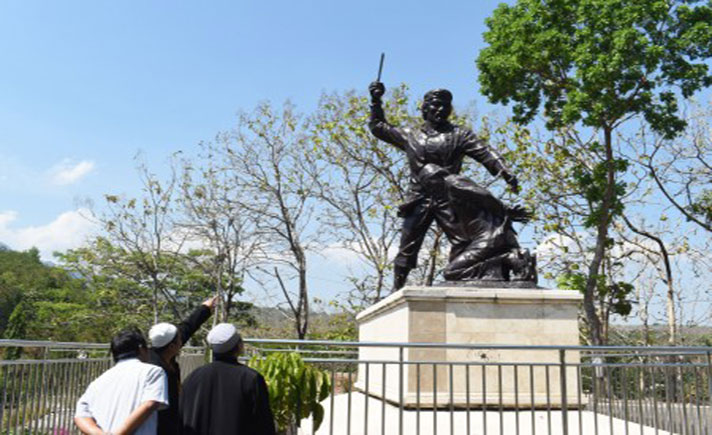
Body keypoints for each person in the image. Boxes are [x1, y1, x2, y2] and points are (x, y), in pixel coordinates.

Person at [368, 81, 520, 290]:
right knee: (407, 245)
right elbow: (378, 128)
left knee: (462, 241)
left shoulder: (460, 135)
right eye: (435, 105)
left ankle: (464, 279)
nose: (440, 110)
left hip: (449, 199)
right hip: (418, 199)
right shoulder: (410, 134)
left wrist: (504, 170)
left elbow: (484, 152)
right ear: (424, 108)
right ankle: (397, 289)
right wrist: (376, 101)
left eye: (445, 106)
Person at [180, 323, 275, 435]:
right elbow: (263, 423)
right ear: (239, 346)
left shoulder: (193, 377)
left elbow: (182, 418)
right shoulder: (251, 378)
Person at [75, 328, 169, 435]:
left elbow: (81, 416)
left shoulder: (98, 381)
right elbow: (150, 404)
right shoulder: (153, 372)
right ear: (141, 349)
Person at [147, 296, 217, 435]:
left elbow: (187, 327)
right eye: (179, 339)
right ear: (172, 346)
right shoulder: (153, 369)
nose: (182, 340)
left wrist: (205, 308)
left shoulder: (165, 353)